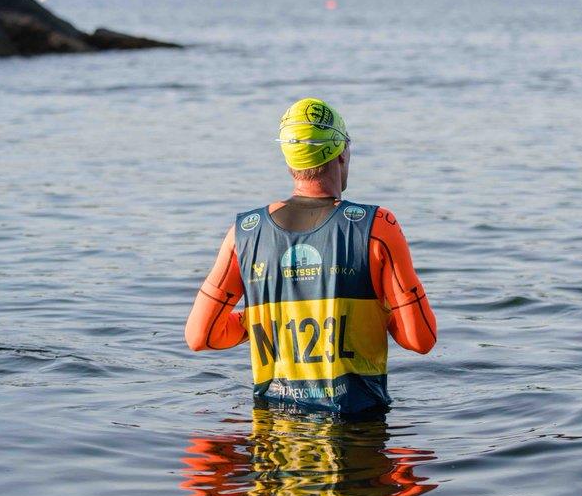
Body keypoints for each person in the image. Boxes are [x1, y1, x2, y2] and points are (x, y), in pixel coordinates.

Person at [185, 98, 437, 414]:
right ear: (342, 153)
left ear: (288, 158)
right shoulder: (378, 228)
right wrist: (376, 315)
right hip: (357, 427)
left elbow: (201, 337)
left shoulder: (244, 233)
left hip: (273, 425)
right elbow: (420, 340)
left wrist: (269, 321)